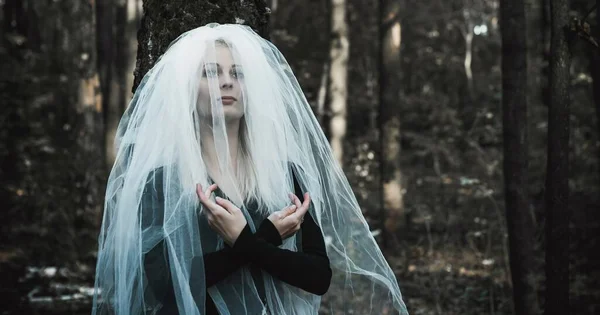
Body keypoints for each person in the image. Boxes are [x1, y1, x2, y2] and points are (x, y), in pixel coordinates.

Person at [92, 23, 409, 315]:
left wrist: (244, 242)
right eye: (211, 72)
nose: (227, 81)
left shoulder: (286, 175)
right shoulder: (161, 182)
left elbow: (318, 277)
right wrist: (266, 236)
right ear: (188, 91)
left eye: (238, 73)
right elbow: (165, 286)